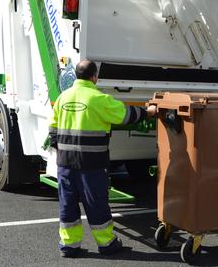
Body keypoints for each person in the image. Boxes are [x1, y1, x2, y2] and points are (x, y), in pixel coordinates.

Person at [49, 60, 156, 258]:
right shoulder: (98, 98)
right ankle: (106, 244)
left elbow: (53, 128)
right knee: (96, 203)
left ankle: (69, 245)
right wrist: (147, 113)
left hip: (65, 163)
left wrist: (61, 148)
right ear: (94, 77)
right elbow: (125, 114)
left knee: (67, 203)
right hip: (91, 164)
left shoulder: (63, 97)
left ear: (76, 76)